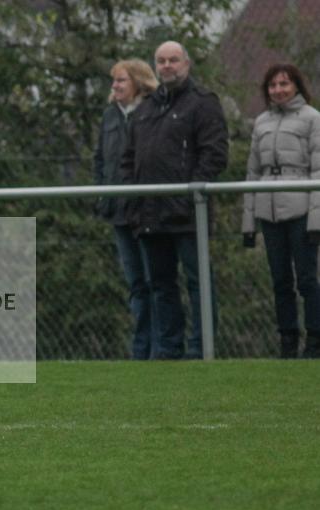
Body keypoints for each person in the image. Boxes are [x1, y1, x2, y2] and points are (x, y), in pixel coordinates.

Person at [121, 41, 228, 360]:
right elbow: (128, 159)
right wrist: (132, 195)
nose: (167, 66)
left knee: (199, 283)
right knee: (160, 285)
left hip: (188, 212)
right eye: (161, 61)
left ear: (187, 64)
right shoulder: (145, 109)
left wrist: (192, 190)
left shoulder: (203, 103)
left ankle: (201, 349)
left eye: (173, 60)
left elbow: (215, 153)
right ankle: (168, 349)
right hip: (150, 214)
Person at [242, 64, 320, 358]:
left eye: (284, 84)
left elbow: (318, 169)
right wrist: (248, 223)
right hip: (268, 209)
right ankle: (287, 340)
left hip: (300, 209)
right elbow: (252, 172)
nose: (278, 90)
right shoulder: (261, 122)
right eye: (273, 85)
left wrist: (316, 218)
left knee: (307, 278)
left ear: (297, 86)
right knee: (279, 280)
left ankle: (315, 341)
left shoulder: (312, 119)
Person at [94, 59, 159, 360]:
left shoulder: (152, 112)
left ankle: (160, 346)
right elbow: (100, 160)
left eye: (121, 81)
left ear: (138, 82)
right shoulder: (109, 116)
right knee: (135, 284)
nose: (115, 86)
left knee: (155, 281)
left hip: (146, 213)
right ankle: (141, 349)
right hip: (118, 212)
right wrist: (102, 196)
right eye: (114, 81)